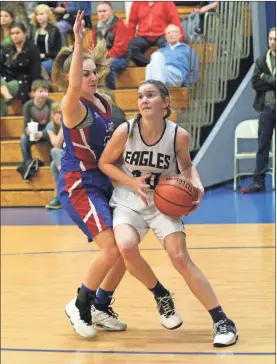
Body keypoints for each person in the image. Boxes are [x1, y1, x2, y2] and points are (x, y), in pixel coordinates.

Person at [99, 79, 238, 347]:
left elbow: (186, 167)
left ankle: (222, 321)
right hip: (129, 199)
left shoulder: (178, 135)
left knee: (180, 257)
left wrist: (196, 184)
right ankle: (161, 294)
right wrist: (131, 182)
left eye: (150, 95)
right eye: (140, 96)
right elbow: (105, 162)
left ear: (165, 103)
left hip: (163, 201)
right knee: (126, 247)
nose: (144, 100)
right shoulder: (125, 131)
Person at [51, 10, 127, 338]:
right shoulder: (73, 107)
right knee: (110, 249)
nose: (91, 78)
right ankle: (79, 304)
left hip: (102, 180)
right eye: (83, 74)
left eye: (93, 72)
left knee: (126, 247)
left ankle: (100, 306)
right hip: (79, 184)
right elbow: (72, 84)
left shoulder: (106, 102)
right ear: (72, 78)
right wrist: (79, 42)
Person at [242, 27, 276, 193]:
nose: (272, 42)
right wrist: (271, 80)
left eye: (275, 39)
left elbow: (265, 81)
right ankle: (258, 182)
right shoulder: (262, 60)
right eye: (270, 39)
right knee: (262, 146)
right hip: (267, 109)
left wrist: (266, 78)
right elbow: (255, 83)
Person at [0, 22, 41, 116]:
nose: (14, 36)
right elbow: (1, 68)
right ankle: (6, 96)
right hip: (6, 81)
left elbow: (36, 71)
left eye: (17, 33)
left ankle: (4, 113)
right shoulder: (7, 49)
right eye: (12, 34)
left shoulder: (32, 49)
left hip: (22, 82)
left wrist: (34, 89)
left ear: (25, 33)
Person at [128, 1, 184, 67]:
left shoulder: (167, 2)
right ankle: (150, 66)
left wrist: (179, 39)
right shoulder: (137, 3)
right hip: (143, 36)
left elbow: (175, 20)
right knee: (128, 48)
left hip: (162, 34)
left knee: (170, 47)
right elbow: (131, 23)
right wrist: (129, 39)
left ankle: (165, 67)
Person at [17, 80, 53, 182]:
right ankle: (28, 165)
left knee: (52, 134)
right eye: (41, 91)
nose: (44, 94)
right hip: (34, 131)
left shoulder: (51, 104)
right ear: (33, 93)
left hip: (48, 131)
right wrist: (27, 131)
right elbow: (25, 126)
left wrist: (43, 133)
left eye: (46, 91)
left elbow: (53, 125)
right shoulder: (28, 106)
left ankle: (52, 163)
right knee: (23, 138)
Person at [91, 1, 130, 90]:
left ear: (111, 11)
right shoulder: (95, 27)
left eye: (104, 11)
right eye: (99, 11)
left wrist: (103, 58)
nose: (101, 14)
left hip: (120, 58)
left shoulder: (119, 25)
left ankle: (110, 93)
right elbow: (93, 46)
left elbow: (120, 48)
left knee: (108, 66)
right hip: (103, 58)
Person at [30, 4, 62, 74]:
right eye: (37, 14)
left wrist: (44, 55)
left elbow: (58, 51)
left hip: (50, 59)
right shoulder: (33, 29)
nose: (39, 17)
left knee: (39, 67)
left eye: (41, 14)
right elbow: (29, 45)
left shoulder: (54, 30)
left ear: (48, 15)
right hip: (35, 59)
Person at [45, 101, 64, 210]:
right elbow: (56, 143)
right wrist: (63, 127)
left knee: (54, 154)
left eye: (62, 113)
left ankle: (56, 197)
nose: (60, 115)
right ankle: (65, 175)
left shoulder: (72, 123)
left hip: (74, 156)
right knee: (54, 156)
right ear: (52, 114)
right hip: (61, 160)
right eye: (58, 113)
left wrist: (65, 124)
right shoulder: (50, 126)